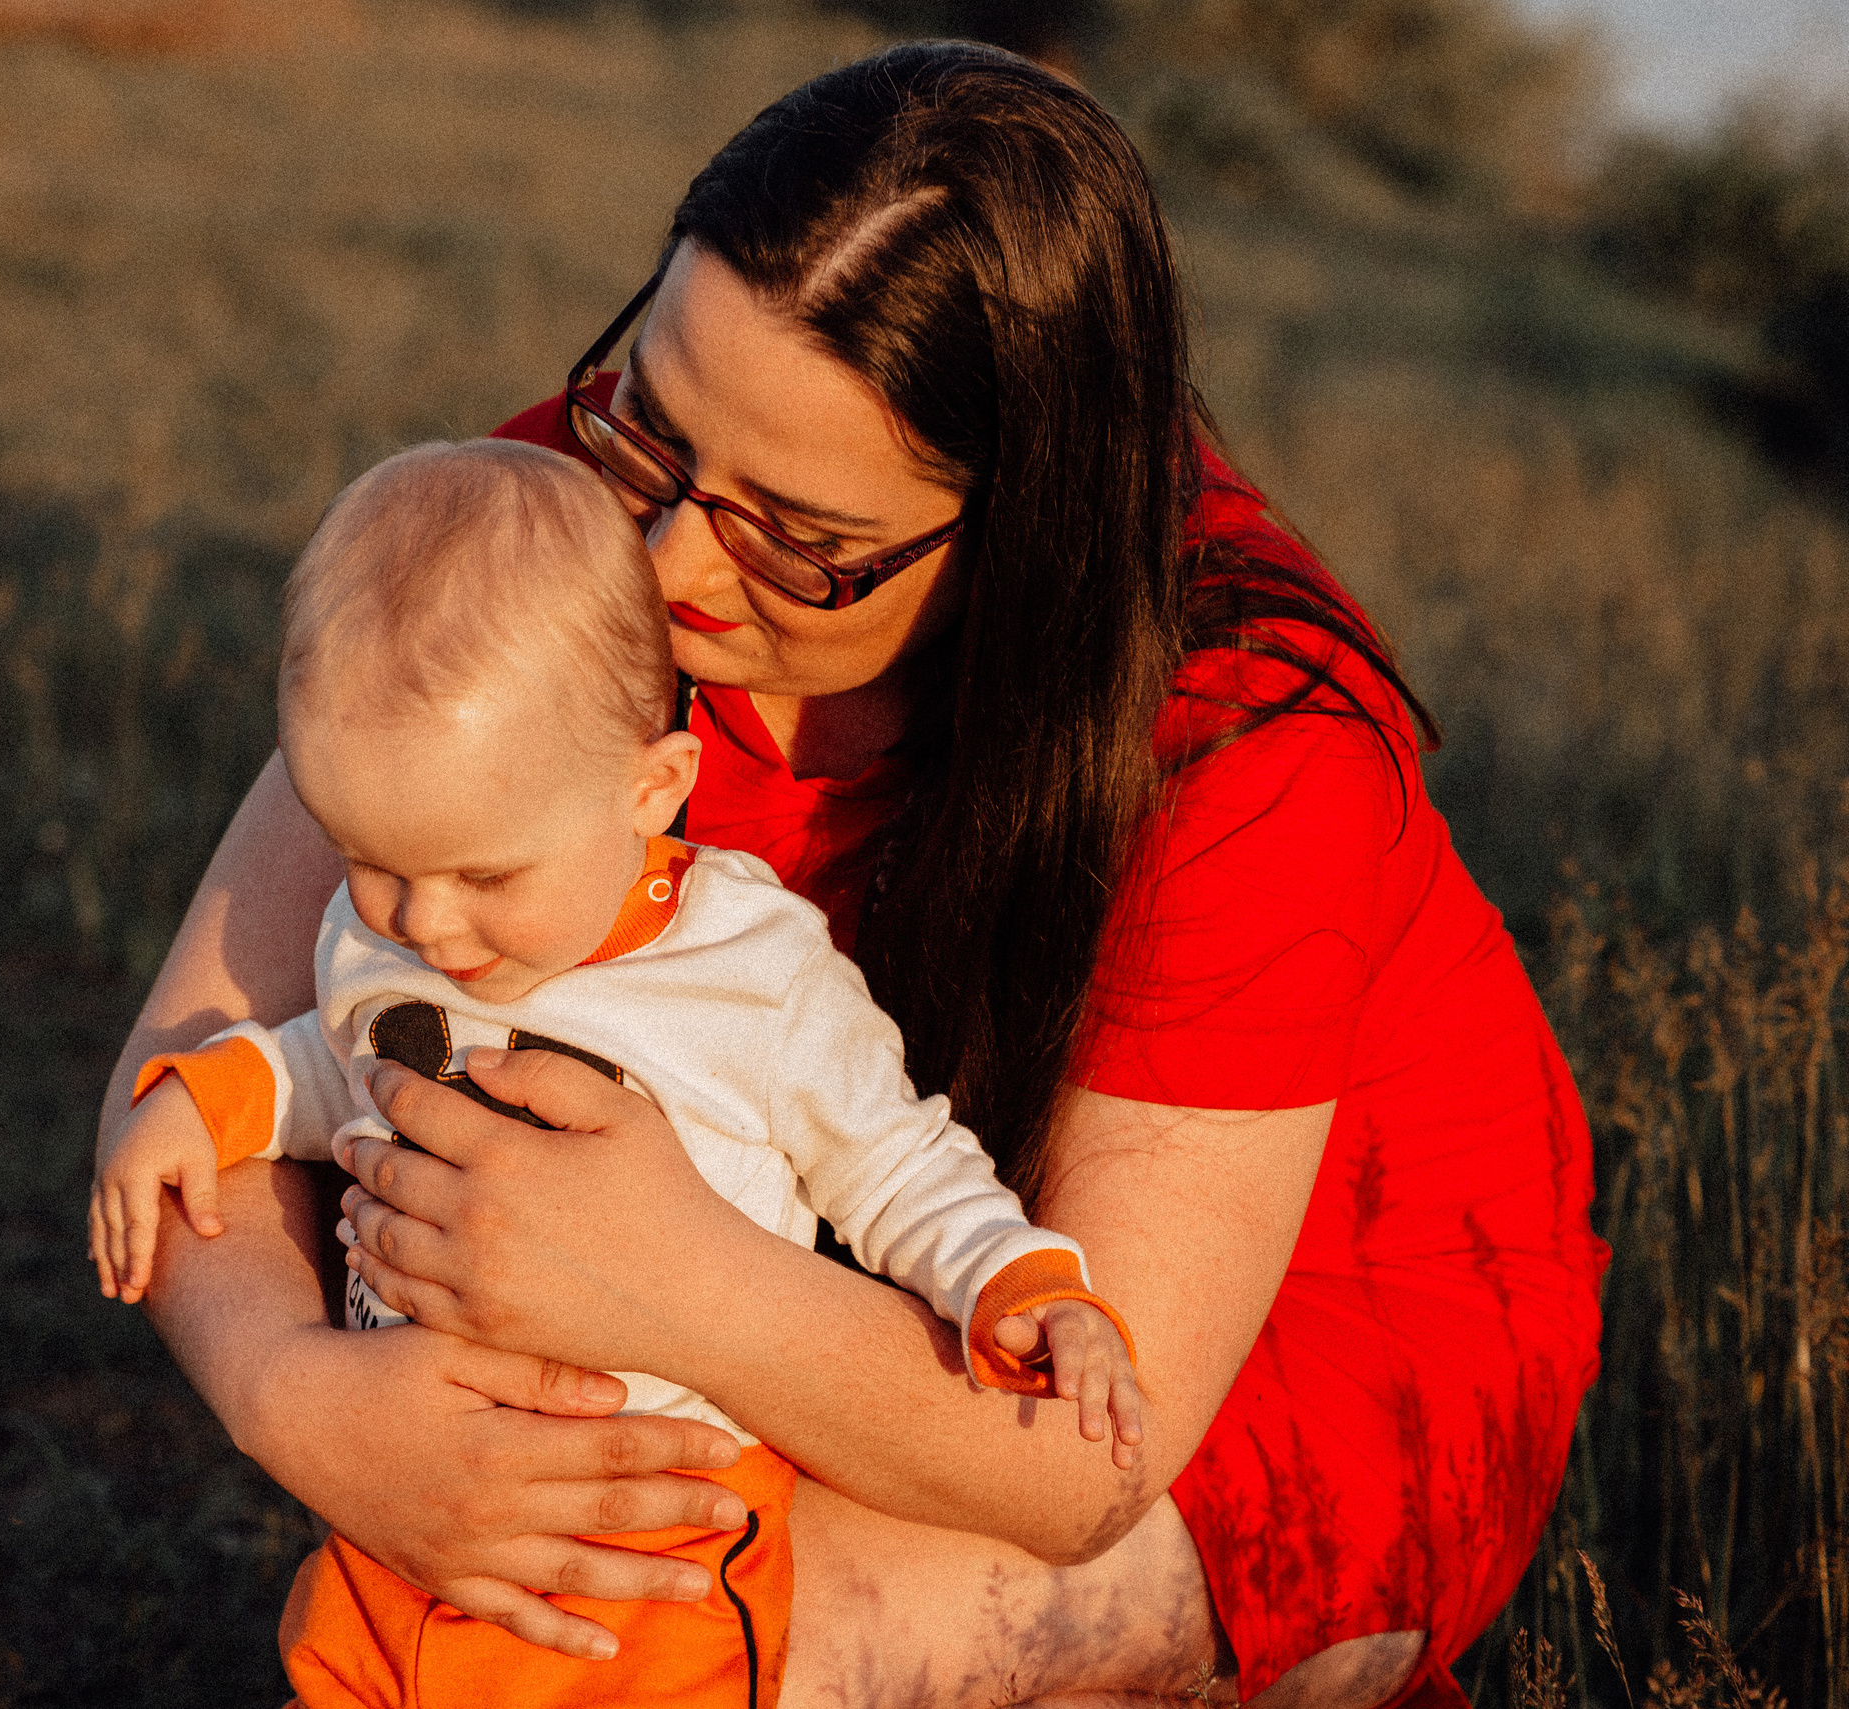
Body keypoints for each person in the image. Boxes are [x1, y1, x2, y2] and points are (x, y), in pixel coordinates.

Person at [99, 41, 1607, 1709]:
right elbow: (198, 1046)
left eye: (797, 533)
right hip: (821, 1248)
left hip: (1271, 1337)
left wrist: (682, 1287)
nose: (667, 559)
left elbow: (1084, 1460)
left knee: (681, 1648)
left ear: (1021, 521)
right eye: (651, 419)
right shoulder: (588, 507)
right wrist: (294, 1393)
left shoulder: (1246, 745)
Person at [89, 438, 1144, 1709]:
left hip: (648, 1544)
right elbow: (339, 1064)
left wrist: (1016, 1281)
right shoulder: (389, 925)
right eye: (371, 862)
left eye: (483, 877)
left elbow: (895, 1158)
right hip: (404, 1496)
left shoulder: (749, 974)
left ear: (651, 789)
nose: (422, 922)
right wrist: (211, 1104)